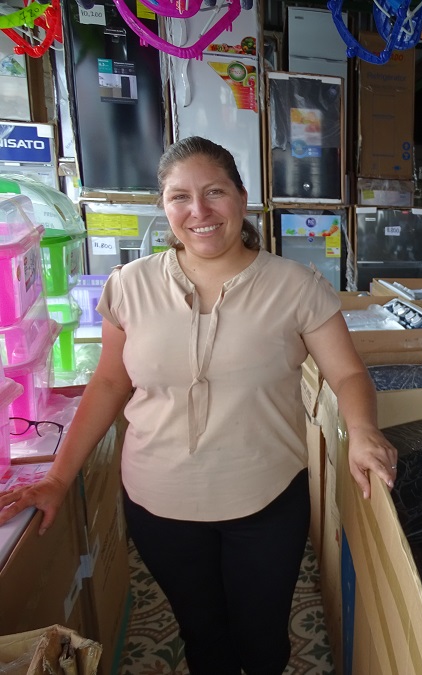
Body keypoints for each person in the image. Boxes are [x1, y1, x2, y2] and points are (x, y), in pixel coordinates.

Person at [0, 136, 398, 675]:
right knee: (201, 632)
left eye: (215, 192)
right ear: (164, 207)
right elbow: (110, 384)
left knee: (263, 638)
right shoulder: (129, 285)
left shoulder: (296, 286)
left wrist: (363, 430)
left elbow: (347, 373)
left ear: (242, 197)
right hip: (159, 506)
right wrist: (56, 478)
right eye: (180, 197)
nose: (199, 211)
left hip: (267, 502)